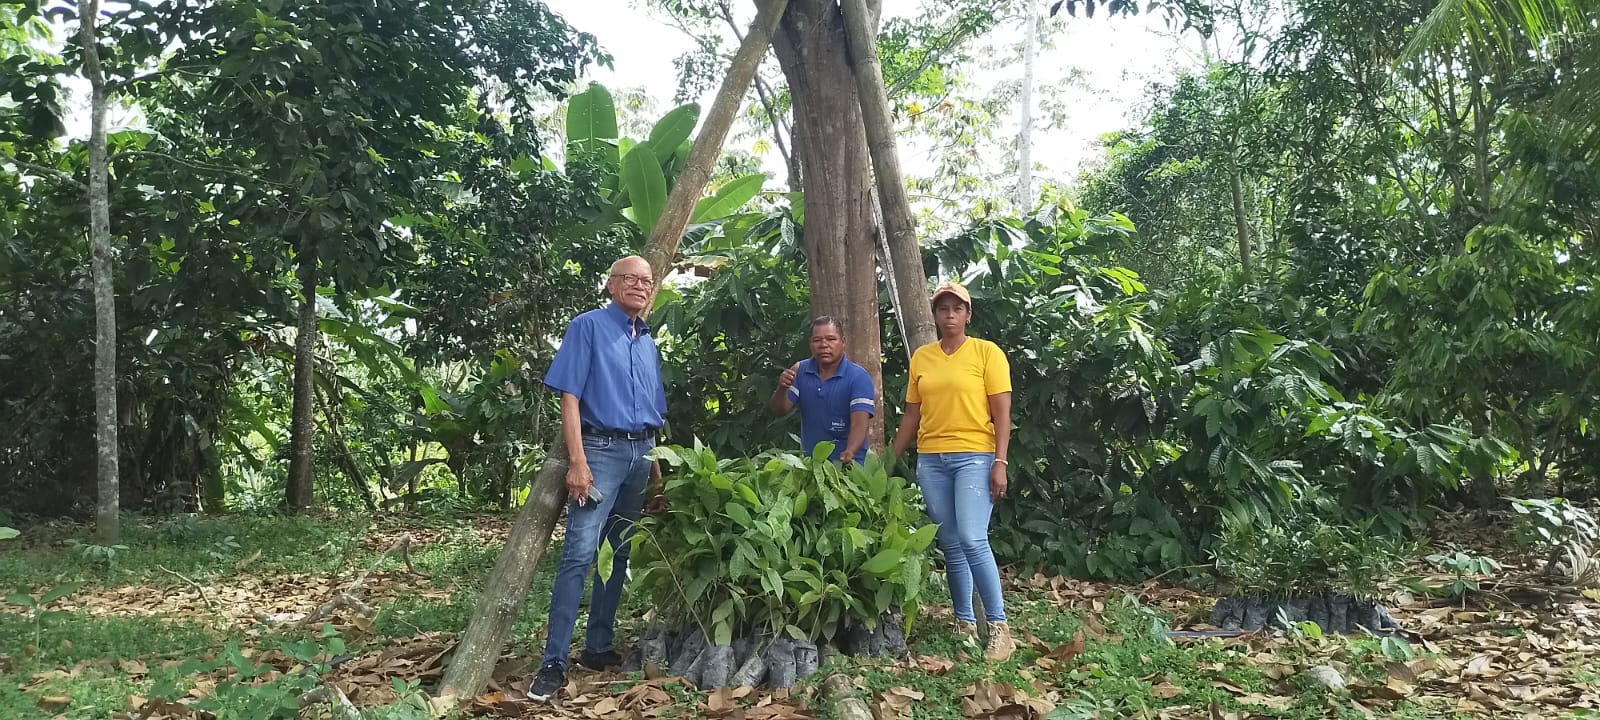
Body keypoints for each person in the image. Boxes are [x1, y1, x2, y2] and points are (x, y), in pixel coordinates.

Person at [529, 255, 669, 701]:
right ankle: (553, 662)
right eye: (630, 279)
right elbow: (570, 399)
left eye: (647, 281)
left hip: (641, 454)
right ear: (611, 285)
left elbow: (652, 415)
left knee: (618, 552)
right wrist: (578, 461)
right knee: (579, 553)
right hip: (600, 452)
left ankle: (598, 647)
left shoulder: (647, 342)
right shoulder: (587, 326)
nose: (640, 286)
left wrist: (656, 474)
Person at [890, 280, 1016, 662]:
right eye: (943, 308)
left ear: (968, 315)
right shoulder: (922, 358)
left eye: (957, 308)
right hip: (932, 460)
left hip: (975, 456)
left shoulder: (987, 353)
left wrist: (1000, 462)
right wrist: (889, 459)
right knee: (950, 542)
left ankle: (999, 627)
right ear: (935, 315)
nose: (950, 315)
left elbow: (1002, 414)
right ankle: (964, 623)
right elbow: (912, 414)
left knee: (973, 538)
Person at [770, 316, 876, 465]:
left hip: (850, 465)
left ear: (843, 342)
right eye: (817, 340)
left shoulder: (858, 377)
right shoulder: (800, 370)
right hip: (811, 465)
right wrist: (782, 388)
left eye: (831, 339)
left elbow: (859, 424)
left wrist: (850, 452)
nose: (824, 345)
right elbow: (779, 410)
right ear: (810, 344)